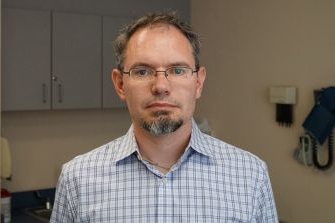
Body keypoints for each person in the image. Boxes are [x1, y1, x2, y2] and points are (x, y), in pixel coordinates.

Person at [50, 11, 278, 222]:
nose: (160, 86)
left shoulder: (251, 174)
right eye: (142, 71)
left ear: (198, 82)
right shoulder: (77, 179)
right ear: (120, 84)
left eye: (177, 70)